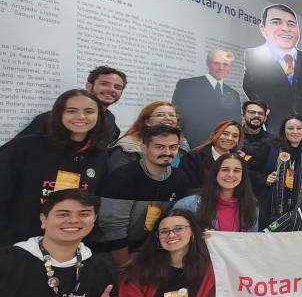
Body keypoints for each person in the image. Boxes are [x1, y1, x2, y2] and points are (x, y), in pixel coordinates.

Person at [0, 89, 110, 246]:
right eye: (71, 111)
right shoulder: (25, 147)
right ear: (59, 114)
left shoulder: (99, 155)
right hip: (20, 242)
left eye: (89, 111)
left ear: (99, 117)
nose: (81, 117)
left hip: (69, 244)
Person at [96, 126, 191, 268]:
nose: (167, 152)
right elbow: (113, 228)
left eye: (173, 147)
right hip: (112, 253)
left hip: (152, 252)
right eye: (159, 147)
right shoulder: (122, 178)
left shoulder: (180, 179)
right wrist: (125, 266)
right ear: (144, 149)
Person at [242, 4, 302, 119]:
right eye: (276, 22)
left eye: (291, 24)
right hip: (272, 121)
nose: (286, 29)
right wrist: (263, 111)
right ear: (263, 28)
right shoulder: (253, 55)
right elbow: (249, 86)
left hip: (299, 121)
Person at [16, 66, 126, 141]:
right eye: (104, 84)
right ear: (89, 86)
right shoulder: (49, 119)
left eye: (117, 87)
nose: (111, 89)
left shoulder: (110, 120)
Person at [175, 152, 259, 233]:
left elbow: (251, 239)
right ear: (215, 173)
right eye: (225, 170)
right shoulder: (188, 204)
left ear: (243, 175)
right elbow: (175, 235)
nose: (230, 174)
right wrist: (197, 236)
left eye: (236, 171)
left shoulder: (252, 205)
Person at [171, 49, 242, 143]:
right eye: (216, 63)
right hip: (193, 146)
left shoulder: (234, 94)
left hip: (223, 147)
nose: (221, 68)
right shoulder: (188, 85)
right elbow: (177, 115)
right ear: (208, 63)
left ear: (230, 67)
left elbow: (236, 125)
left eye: (225, 64)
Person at [256, 115, 302, 228]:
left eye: (299, 128)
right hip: (271, 206)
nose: (295, 132)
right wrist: (264, 178)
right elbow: (250, 168)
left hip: (298, 207)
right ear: (284, 130)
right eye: (290, 128)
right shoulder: (271, 146)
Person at [109, 102, 189, 171]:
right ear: (147, 122)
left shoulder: (182, 144)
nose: (168, 118)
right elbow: (118, 178)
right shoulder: (127, 146)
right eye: (160, 115)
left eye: (171, 115)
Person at [180, 120, 246, 191]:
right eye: (225, 134)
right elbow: (189, 188)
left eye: (235, 136)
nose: (230, 138)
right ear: (215, 134)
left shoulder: (239, 159)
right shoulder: (193, 157)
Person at [240, 100, 275, 164]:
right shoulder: (233, 138)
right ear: (243, 116)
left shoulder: (273, 141)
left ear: (265, 118)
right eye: (252, 112)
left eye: (261, 113)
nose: (256, 116)